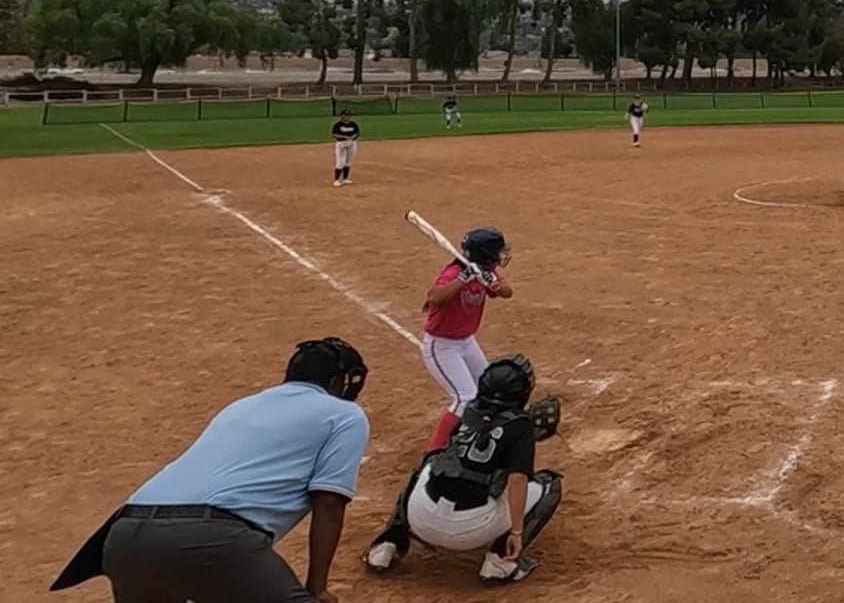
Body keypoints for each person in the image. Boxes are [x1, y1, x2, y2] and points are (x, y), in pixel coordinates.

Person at [51, 338, 371, 602]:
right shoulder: (344, 414)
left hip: (125, 536)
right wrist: (316, 588)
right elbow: (329, 502)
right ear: (336, 382)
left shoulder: (241, 406)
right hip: (208, 539)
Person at [364, 355, 565, 585]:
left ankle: (387, 545)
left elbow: (475, 445)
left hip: (420, 517)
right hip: (469, 530)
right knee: (549, 484)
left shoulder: (469, 411)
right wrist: (516, 533)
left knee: (430, 461)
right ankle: (500, 563)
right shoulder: (520, 427)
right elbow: (517, 480)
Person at [422, 228, 516, 451]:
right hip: (442, 345)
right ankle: (434, 452)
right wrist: (464, 279)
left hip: (467, 342)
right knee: (465, 397)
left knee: (488, 388)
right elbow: (434, 298)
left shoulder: (486, 271)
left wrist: (495, 285)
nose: (500, 256)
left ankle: (478, 435)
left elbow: (507, 292)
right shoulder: (454, 272)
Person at [331, 110, 359, 187]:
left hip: (352, 143)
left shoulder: (353, 124)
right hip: (341, 144)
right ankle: (336, 180)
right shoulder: (338, 125)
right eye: (345, 115)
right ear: (342, 116)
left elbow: (357, 133)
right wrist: (344, 137)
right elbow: (334, 134)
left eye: (348, 115)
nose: (347, 117)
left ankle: (345, 179)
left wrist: (353, 137)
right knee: (340, 162)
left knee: (348, 161)